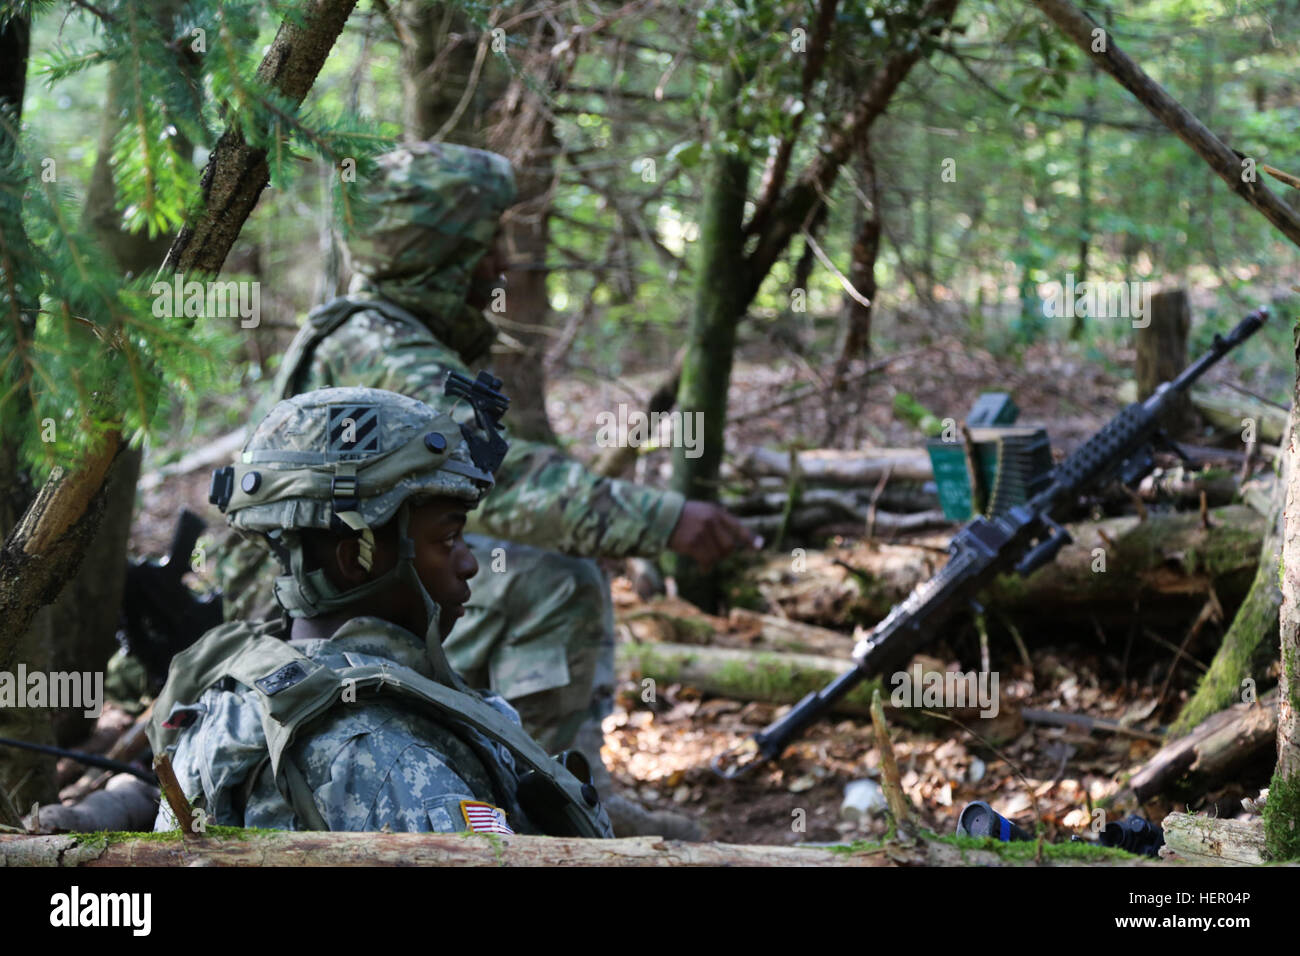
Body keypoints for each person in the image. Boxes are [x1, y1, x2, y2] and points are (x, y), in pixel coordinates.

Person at [215, 141, 755, 838]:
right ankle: (547, 797)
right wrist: (666, 520)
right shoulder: (384, 347)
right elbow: (499, 483)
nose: (502, 262)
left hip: (322, 594)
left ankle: (520, 777)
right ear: (436, 251)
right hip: (304, 608)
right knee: (555, 582)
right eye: (484, 241)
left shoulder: (390, 332)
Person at [149, 384, 612, 837]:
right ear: (358, 560)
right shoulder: (389, 755)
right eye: (448, 540)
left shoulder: (235, 693)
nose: (470, 563)